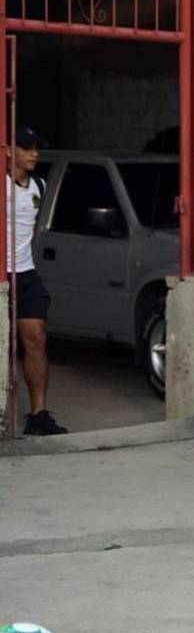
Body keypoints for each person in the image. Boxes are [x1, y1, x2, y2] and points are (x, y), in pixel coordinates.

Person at [7, 126, 67, 436]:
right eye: (26, 147)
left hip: (26, 274)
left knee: (36, 339)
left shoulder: (39, 186)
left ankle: (38, 415)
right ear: (7, 151)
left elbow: (29, 232)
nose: (34, 154)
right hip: (1, 276)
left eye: (36, 148)